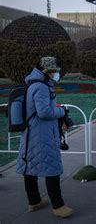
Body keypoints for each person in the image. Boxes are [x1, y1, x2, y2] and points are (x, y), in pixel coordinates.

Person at [16, 57, 74, 218]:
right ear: (46, 72)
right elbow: (44, 112)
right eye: (55, 71)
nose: (57, 74)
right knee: (52, 167)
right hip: (42, 134)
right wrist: (62, 112)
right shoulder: (41, 87)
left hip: (32, 133)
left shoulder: (34, 84)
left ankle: (34, 201)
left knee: (30, 166)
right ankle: (58, 206)